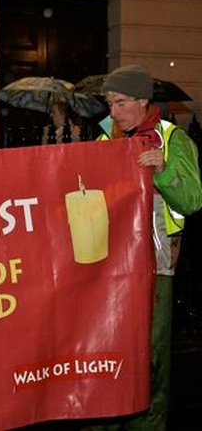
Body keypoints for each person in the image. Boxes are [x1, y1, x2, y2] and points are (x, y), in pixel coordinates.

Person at [89, 64, 202, 431]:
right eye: (109, 103)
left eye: (120, 103)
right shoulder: (107, 139)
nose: (113, 112)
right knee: (106, 348)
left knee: (150, 358)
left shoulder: (173, 139)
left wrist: (164, 169)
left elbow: (192, 199)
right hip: (108, 265)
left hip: (157, 265)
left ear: (142, 101)